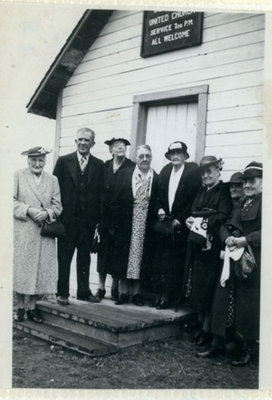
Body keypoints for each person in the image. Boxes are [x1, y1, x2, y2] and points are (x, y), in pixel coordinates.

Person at [200, 162, 262, 366]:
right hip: (234, 257)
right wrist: (227, 237)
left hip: (254, 261)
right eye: (245, 181)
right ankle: (218, 342)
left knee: (249, 304)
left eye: (252, 181)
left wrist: (246, 240)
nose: (247, 185)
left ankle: (248, 348)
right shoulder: (243, 203)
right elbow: (226, 225)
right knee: (223, 297)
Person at [184, 156, 232, 345]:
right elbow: (194, 211)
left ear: (218, 171)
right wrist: (192, 220)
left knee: (209, 285)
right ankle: (198, 321)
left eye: (209, 172)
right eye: (203, 173)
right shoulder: (201, 191)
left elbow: (222, 214)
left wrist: (202, 220)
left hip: (213, 246)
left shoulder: (224, 191)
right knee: (197, 283)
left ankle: (206, 328)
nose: (205, 176)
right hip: (197, 242)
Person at [53, 128, 104, 305]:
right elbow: (54, 190)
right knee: (64, 257)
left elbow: (100, 194)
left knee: (85, 257)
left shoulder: (99, 164)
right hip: (67, 221)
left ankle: (83, 291)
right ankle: (62, 293)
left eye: (87, 140)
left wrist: (97, 221)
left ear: (92, 143)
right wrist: (57, 216)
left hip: (88, 222)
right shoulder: (63, 161)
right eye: (80, 139)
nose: (83, 143)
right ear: (76, 142)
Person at [13, 147, 63, 323]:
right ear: (28, 160)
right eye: (33, 160)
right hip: (24, 230)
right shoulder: (18, 175)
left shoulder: (52, 180)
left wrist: (47, 213)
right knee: (23, 269)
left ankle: (33, 309)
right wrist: (29, 210)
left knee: (40, 270)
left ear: (45, 161)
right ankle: (20, 308)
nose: (37, 163)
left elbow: (58, 206)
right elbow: (10, 201)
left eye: (40, 160)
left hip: (44, 231)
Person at [152, 141, 201, 309]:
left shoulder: (192, 172)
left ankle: (174, 297)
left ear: (185, 156)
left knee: (178, 263)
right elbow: (158, 195)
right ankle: (162, 294)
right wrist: (159, 208)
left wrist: (181, 217)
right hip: (166, 224)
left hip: (182, 225)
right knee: (163, 261)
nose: (175, 156)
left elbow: (193, 199)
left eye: (178, 153)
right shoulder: (166, 171)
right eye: (172, 153)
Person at [110, 144, 159, 306]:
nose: (145, 159)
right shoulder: (124, 175)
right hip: (126, 222)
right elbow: (114, 200)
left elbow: (159, 201)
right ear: (136, 158)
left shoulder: (156, 178)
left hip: (146, 223)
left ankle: (137, 293)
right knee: (124, 256)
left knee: (141, 258)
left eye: (147, 156)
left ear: (151, 158)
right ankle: (123, 293)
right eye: (141, 156)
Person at [96, 137, 135, 301]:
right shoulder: (105, 166)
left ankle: (115, 288)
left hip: (123, 217)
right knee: (103, 252)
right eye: (116, 146)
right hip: (105, 216)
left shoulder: (132, 167)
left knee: (119, 253)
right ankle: (100, 287)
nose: (120, 148)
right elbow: (98, 191)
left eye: (122, 146)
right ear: (110, 150)